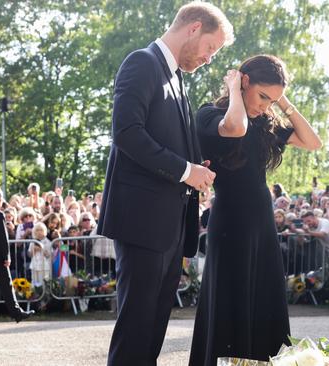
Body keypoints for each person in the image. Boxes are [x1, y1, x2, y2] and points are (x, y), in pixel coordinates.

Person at [96, 3, 234, 364]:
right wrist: (186, 170)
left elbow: (166, 143)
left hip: (169, 223)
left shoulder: (175, 78)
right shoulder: (142, 63)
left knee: (153, 327)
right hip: (143, 221)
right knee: (136, 328)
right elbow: (127, 134)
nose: (209, 58)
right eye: (211, 48)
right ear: (193, 28)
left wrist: (194, 164)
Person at [189, 54, 321, 364]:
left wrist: (283, 101)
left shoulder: (265, 124)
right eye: (263, 96)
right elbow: (234, 127)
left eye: (272, 100)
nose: (266, 106)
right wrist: (235, 90)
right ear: (243, 80)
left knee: (264, 295)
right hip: (229, 219)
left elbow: (313, 142)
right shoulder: (209, 114)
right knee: (229, 294)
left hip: (262, 219)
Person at [0, 207, 34, 322]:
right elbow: (2, 237)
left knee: (7, 285)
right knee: (6, 285)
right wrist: (7, 256)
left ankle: (17, 313)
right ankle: (16, 313)